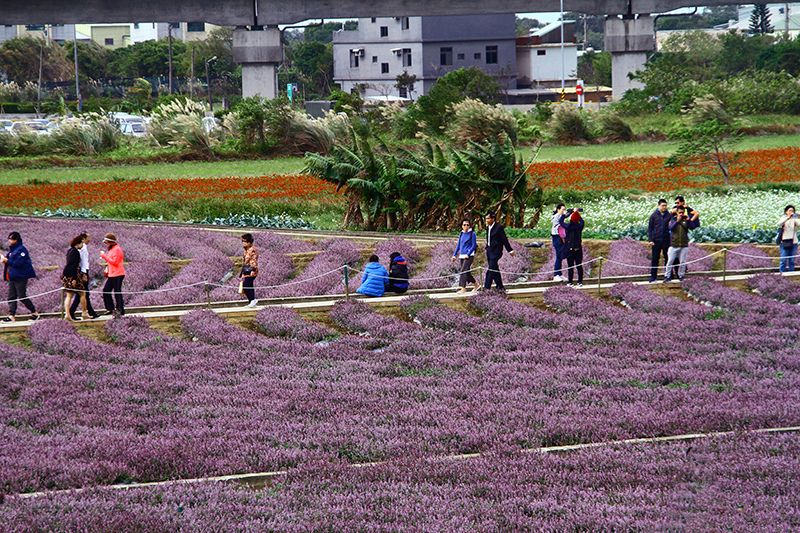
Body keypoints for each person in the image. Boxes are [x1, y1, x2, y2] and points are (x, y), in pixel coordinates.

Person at [1, 231, 39, 322]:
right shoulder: (12, 250)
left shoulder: (22, 250)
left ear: (16, 240)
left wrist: (6, 261)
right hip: (12, 276)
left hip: (21, 276)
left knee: (21, 295)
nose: (9, 241)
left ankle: (34, 312)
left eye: (11, 239)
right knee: (11, 296)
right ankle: (11, 315)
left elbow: (18, 263)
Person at [69, 232, 99, 320]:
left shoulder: (79, 248)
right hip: (82, 272)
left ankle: (90, 312)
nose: (89, 239)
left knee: (84, 293)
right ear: (83, 239)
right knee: (82, 293)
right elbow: (83, 262)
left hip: (81, 272)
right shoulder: (83, 249)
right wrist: (84, 274)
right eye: (88, 238)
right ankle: (72, 312)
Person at [484, 211, 514, 292]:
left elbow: (504, 239)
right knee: (494, 269)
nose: (487, 220)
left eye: (488, 218)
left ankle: (486, 288)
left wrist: (510, 250)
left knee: (490, 269)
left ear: (493, 218)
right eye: (486, 218)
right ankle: (500, 286)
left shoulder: (499, 227)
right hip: (489, 250)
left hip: (496, 251)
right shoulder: (488, 228)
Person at [670, 196, 700, 279]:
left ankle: (681, 273)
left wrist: (689, 220)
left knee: (682, 257)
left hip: (683, 233)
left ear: (683, 202)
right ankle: (672, 273)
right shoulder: (676, 209)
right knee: (672, 258)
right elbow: (671, 212)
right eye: (675, 203)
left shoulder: (687, 209)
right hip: (675, 234)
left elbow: (696, 213)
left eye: (678, 202)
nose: (676, 204)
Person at [62, 235, 89, 322]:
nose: (82, 245)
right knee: (82, 294)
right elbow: (73, 266)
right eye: (81, 243)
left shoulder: (70, 251)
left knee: (69, 295)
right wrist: (73, 278)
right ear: (78, 243)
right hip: (74, 275)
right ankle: (84, 313)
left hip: (67, 275)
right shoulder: (76, 252)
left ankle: (67, 314)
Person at [663, 206, 693, 283]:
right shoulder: (673, 220)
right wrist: (677, 221)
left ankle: (681, 275)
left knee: (683, 261)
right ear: (677, 212)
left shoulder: (685, 220)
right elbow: (670, 228)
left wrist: (688, 220)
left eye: (683, 213)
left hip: (683, 245)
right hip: (674, 244)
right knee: (670, 261)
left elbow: (692, 227)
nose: (681, 214)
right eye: (680, 213)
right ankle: (667, 275)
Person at [99, 233, 125, 317]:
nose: (106, 244)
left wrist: (104, 256)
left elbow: (115, 262)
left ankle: (120, 309)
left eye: (107, 242)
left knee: (117, 292)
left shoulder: (117, 249)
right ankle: (110, 308)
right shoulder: (112, 249)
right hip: (112, 274)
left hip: (118, 274)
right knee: (106, 290)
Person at [451, 219, 479, 293]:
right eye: (464, 225)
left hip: (469, 255)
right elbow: (459, 245)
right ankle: (476, 284)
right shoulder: (461, 234)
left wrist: (468, 254)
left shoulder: (472, 234)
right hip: (462, 255)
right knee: (467, 272)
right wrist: (454, 255)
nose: (466, 226)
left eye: (467, 225)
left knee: (463, 271)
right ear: (462, 226)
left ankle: (463, 288)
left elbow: (473, 245)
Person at [647, 199, 672, 283]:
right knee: (655, 259)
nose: (664, 207)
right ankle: (653, 277)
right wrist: (650, 239)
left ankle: (668, 275)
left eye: (665, 205)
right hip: (656, 240)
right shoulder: (653, 216)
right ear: (658, 206)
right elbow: (650, 229)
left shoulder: (669, 216)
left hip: (666, 240)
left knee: (667, 258)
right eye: (662, 205)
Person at [560, 208, 585, 287]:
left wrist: (567, 213)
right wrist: (577, 213)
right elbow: (582, 221)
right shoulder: (579, 226)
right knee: (579, 266)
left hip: (570, 249)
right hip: (578, 249)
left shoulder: (569, 226)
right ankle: (580, 282)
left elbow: (561, 222)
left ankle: (570, 282)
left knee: (570, 266)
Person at [777, 205, 800, 273]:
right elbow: (779, 223)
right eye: (790, 210)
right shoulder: (783, 219)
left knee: (792, 260)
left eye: (792, 211)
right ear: (786, 212)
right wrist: (788, 218)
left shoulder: (795, 220)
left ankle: (791, 273)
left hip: (793, 242)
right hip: (784, 242)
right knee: (783, 260)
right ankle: (782, 273)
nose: (791, 212)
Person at [240, 233, 259, 308]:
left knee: (246, 285)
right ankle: (252, 301)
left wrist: (253, 269)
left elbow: (253, 260)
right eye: (243, 241)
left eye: (245, 241)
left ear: (249, 242)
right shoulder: (246, 250)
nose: (243, 243)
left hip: (251, 270)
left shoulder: (252, 250)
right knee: (249, 285)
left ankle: (252, 300)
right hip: (246, 269)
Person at [551, 204, 567, 282]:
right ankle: (556, 275)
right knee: (558, 256)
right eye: (562, 209)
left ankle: (559, 274)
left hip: (560, 237)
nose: (564, 211)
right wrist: (568, 213)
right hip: (556, 237)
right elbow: (561, 219)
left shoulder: (561, 216)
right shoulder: (557, 216)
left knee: (560, 256)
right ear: (558, 210)